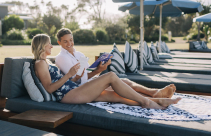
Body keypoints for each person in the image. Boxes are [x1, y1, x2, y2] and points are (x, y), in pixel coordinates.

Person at [32, 34, 181, 109]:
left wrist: (74, 76)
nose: (51, 47)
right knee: (110, 76)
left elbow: (64, 81)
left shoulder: (46, 62)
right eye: (48, 44)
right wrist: (69, 75)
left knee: (117, 95)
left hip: (74, 89)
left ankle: (157, 100)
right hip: (68, 95)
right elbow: (49, 88)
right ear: (41, 46)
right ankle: (146, 101)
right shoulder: (40, 63)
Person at [55, 28, 176, 99]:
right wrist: (82, 75)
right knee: (117, 86)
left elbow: (87, 74)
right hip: (80, 89)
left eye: (71, 40)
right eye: (65, 41)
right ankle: (152, 97)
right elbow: (73, 81)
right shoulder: (61, 58)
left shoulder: (79, 54)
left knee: (125, 82)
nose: (69, 43)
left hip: (88, 82)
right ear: (59, 42)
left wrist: (99, 69)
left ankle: (154, 92)